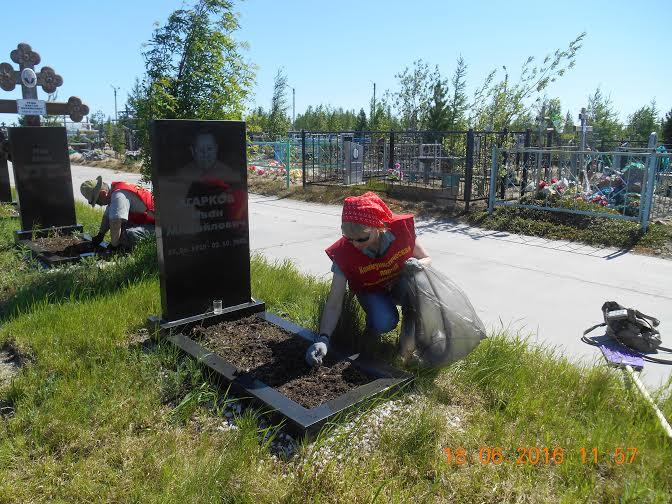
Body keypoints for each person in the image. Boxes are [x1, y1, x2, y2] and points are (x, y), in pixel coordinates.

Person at [306, 191, 431, 366]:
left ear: (377, 227)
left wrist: (420, 265)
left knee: (420, 285)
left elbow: (426, 258)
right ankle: (373, 326)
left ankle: (408, 347)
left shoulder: (399, 232)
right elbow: (334, 302)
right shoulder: (344, 254)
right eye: (349, 239)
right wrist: (323, 338)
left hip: (398, 285)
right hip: (370, 290)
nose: (356, 244)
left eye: (361, 238)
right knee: (385, 322)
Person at [80, 175, 155, 250]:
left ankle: (127, 251)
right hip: (146, 222)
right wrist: (101, 235)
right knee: (121, 232)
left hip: (160, 227)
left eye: (97, 201)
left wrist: (114, 246)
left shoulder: (119, 196)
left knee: (128, 235)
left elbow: (115, 222)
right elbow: (107, 217)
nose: (99, 204)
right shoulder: (113, 191)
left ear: (103, 193)